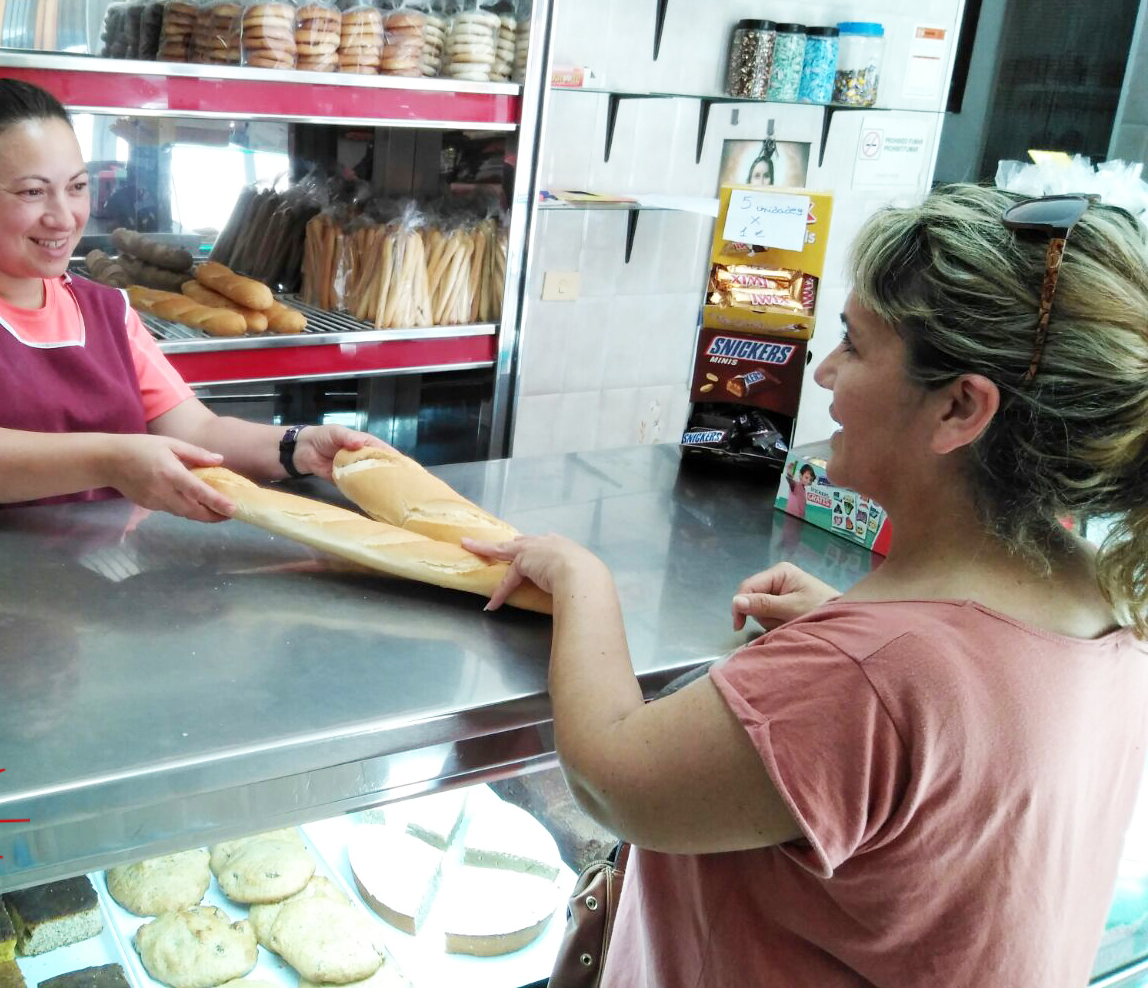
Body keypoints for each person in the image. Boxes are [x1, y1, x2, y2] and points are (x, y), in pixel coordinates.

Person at [467, 184, 1148, 985]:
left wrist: (582, 579)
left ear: (960, 407)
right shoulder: (1108, 609)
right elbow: (962, 715)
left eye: (854, 347)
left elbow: (612, 779)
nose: (823, 373)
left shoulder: (872, 679)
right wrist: (848, 632)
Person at [0, 78, 379, 522]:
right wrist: (111, 458)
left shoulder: (105, 309)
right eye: (33, 192)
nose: (63, 216)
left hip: (96, 592)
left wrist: (296, 446)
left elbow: (196, 430)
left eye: (76, 187)